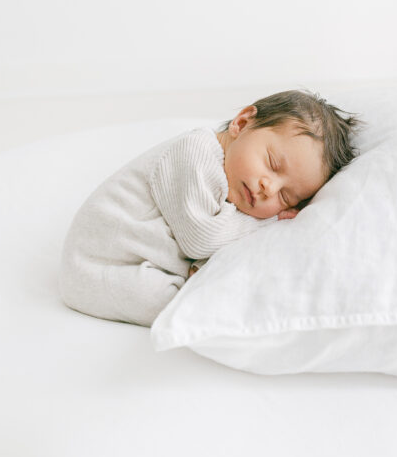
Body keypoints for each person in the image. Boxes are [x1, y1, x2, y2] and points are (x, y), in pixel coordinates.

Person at [59, 89, 360, 327]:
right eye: (272, 163)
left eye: (286, 197)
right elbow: (201, 239)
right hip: (97, 266)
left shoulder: (233, 182)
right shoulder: (194, 154)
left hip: (142, 264)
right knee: (195, 305)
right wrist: (270, 222)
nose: (268, 187)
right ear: (241, 123)